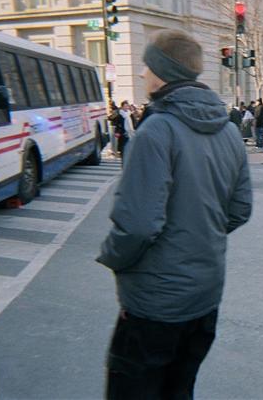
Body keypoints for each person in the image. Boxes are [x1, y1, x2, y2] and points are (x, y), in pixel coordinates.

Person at [97, 29, 253, 399]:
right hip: (205, 295)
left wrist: (113, 257)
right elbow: (240, 209)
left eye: (146, 66)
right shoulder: (229, 131)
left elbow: (136, 227)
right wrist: (199, 236)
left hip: (155, 305)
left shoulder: (156, 131)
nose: (140, 74)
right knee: (180, 389)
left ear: (162, 71)